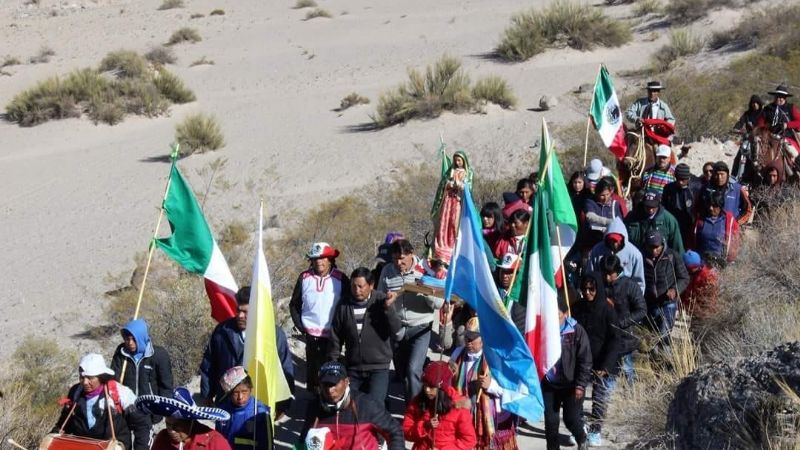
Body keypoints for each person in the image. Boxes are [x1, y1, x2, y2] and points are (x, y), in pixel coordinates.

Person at [377, 239, 444, 402]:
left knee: (413, 370)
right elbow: (379, 295)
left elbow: (438, 303)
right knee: (402, 372)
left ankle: (413, 412)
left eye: (402, 258)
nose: (399, 263)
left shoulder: (426, 271)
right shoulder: (387, 271)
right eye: (395, 259)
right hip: (397, 328)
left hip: (421, 327)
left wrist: (425, 290)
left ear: (411, 254)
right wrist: (385, 301)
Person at [329, 267, 402, 403]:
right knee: (351, 404)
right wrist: (334, 361)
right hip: (353, 368)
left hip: (378, 367)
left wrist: (388, 309)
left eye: (361, 286)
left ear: (371, 285)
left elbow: (396, 328)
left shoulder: (381, 300)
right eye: (353, 286)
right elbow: (336, 336)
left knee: (375, 405)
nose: (357, 290)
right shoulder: (343, 305)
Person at [53, 353, 150, 450]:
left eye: (90, 378)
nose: (85, 382)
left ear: (101, 377)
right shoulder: (75, 392)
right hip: (83, 446)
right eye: (82, 377)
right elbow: (64, 423)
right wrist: (52, 437)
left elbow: (142, 424)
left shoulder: (119, 393)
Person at [300, 361, 404, 450]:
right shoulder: (314, 407)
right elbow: (304, 440)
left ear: (346, 382)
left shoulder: (366, 404)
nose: (330, 390)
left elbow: (395, 431)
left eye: (334, 384)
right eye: (325, 384)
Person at [448, 318, 518, 450]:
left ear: (483, 338)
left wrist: (491, 386)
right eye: (467, 337)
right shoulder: (458, 354)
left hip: (491, 418)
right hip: (464, 414)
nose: (468, 342)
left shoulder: (496, 358)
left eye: (473, 338)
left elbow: (511, 389)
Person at [289, 242, 348, 392]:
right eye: (315, 259)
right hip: (311, 334)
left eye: (322, 258)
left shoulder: (341, 279)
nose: (319, 262)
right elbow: (294, 304)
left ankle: (331, 403)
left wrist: (343, 329)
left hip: (333, 335)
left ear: (330, 259)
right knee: (313, 372)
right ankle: (314, 406)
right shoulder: (304, 278)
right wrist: (302, 327)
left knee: (331, 371)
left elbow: (348, 305)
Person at [571, 273, 619, 448]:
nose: (588, 293)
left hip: (601, 362)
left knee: (599, 398)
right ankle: (579, 428)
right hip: (581, 361)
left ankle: (595, 430)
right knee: (577, 396)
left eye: (592, 289)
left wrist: (607, 365)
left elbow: (615, 339)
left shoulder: (608, 310)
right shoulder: (577, 308)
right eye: (584, 289)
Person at [542, 296, 592, 450]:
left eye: (557, 315)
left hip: (571, 384)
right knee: (551, 423)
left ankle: (582, 437)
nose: (554, 319)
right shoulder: (542, 330)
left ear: (565, 314)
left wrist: (580, 385)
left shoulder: (576, 331)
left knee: (571, 419)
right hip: (549, 383)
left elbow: (585, 360)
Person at [403, 361, 477, 450]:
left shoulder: (459, 408)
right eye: (425, 385)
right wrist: (424, 426)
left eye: (431, 386)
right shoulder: (419, 401)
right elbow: (406, 431)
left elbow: (469, 440)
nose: (427, 390)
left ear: (443, 388)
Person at [600, 255, 646, 384]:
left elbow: (642, 310)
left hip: (625, 336)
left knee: (627, 368)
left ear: (618, 271)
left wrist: (621, 323)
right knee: (607, 370)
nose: (607, 278)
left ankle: (631, 396)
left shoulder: (630, 286)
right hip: (605, 337)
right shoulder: (599, 285)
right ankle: (606, 400)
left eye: (610, 274)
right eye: (605, 274)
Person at [137, 387, 231, 450]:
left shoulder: (215, 443)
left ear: (190, 421)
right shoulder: (162, 438)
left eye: (177, 426)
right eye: (168, 425)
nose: (171, 431)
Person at [642, 231, 689, 351]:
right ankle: (655, 361)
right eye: (650, 247)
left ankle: (666, 359)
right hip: (650, 303)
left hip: (668, 302)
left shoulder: (672, 256)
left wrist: (674, 290)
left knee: (664, 334)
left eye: (656, 247)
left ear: (662, 244)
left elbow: (684, 277)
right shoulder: (641, 257)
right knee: (653, 333)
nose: (654, 251)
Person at [111, 318, 173, 398]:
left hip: (150, 406)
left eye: (134, 339)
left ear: (141, 337)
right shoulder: (121, 353)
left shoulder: (159, 355)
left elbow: (166, 387)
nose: (130, 343)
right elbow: (113, 380)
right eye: (127, 339)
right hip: (127, 405)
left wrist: (161, 407)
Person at [432, 151, 473, 264]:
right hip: (448, 200)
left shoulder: (468, 172)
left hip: (458, 201)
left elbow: (468, 186)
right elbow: (444, 183)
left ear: (463, 161)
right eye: (456, 160)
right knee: (445, 222)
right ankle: (443, 244)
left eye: (459, 160)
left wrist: (461, 186)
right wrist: (448, 184)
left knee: (455, 223)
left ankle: (453, 245)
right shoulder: (451, 171)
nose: (457, 162)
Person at [587, 217, 645, 294]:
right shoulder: (597, 250)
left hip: (625, 296)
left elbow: (639, 283)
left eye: (616, 240)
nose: (614, 243)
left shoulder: (635, 254)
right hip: (602, 294)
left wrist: (635, 300)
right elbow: (590, 274)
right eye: (611, 240)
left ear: (622, 238)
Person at [216, 367, 270, 450]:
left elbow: (267, 445)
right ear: (229, 394)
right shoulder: (222, 412)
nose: (240, 397)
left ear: (250, 389)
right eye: (235, 393)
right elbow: (218, 440)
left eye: (244, 392)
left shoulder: (260, 412)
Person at [690, 189, 741, 265]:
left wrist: (730, 260)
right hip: (702, 263)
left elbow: (736, 242)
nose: (710, 208)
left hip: (720, 264)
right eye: (709, 205)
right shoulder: (700, 220)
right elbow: (691, 240)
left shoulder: (728, 221)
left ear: (720, 206)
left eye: (714, 205)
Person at [661, 163, 702, 248]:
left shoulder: (697, 188)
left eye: (683, 179)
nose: (680, 182)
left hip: (690, 225)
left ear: (688, 178)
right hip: (673, 224)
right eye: (678, 179)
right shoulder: (669, 188)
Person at [578, 178, 625, 252]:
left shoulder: (615, 205)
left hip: (609, 243)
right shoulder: (590, 202)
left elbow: (619, 222)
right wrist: (609, 222)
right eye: (602, 195)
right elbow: (590, 217)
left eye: (607, 194)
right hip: (591, 242)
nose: (605, 198)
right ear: (597, 193)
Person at [707, 161, 753, 226]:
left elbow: (748, 209)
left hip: (730, 230)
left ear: (727, 174)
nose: (719, 177)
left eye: (722, 174)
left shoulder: (737, 189)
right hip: (710, 228)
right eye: (717, 174)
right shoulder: (707, 189)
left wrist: (736, 224)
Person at [758, 84, 800, 153]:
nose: (778, 99)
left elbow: (799, 121)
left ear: (785, 98)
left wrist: (787, 125)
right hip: (768, 137)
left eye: (781, 97)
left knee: (794, 153)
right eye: (777, 96)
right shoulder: (767, 108)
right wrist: (764, 129)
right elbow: (760, 123)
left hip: (786, 136)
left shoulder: (791, 108)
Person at [681, 251, 719, 319]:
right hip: (691, 311)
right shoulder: (691, 274)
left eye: (688, 268)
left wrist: (701, 312)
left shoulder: (707, 277)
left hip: (702, 313)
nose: (686, 270)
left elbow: (710, 299)